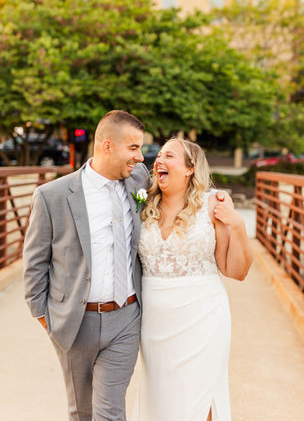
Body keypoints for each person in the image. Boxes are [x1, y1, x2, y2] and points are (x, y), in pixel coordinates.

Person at [23, 110, 150, 421]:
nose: (140, 156)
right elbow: (34, 263)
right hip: (76, 323)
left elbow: (181, 187)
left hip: (126, 317)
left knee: (110, 411)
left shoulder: (138, 179)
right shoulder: (51, 196)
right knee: (81, 410)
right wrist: (46, 317)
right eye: (133, 148)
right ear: (107, 146)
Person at [132, 138, 253, 421]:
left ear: (189, 168)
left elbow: (236, 270)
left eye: (170, 156)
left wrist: (237, 224)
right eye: (159, 155)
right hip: (154, 322)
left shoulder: (213, 203)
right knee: (159, 397)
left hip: (203, 317)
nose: (159, 160)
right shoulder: (142, 203)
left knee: (199, 397)